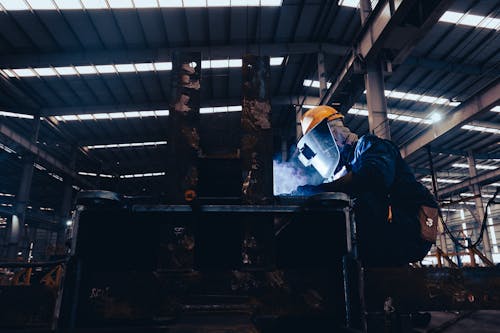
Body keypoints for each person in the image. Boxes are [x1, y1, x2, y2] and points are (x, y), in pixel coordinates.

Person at [296, 106, 438, 267]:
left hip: (409, 226)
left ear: (334, 134)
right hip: (388, 234)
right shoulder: (347, 168)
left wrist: (318, 191)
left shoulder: (370, 145)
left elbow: (373, 177)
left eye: (324, 146)